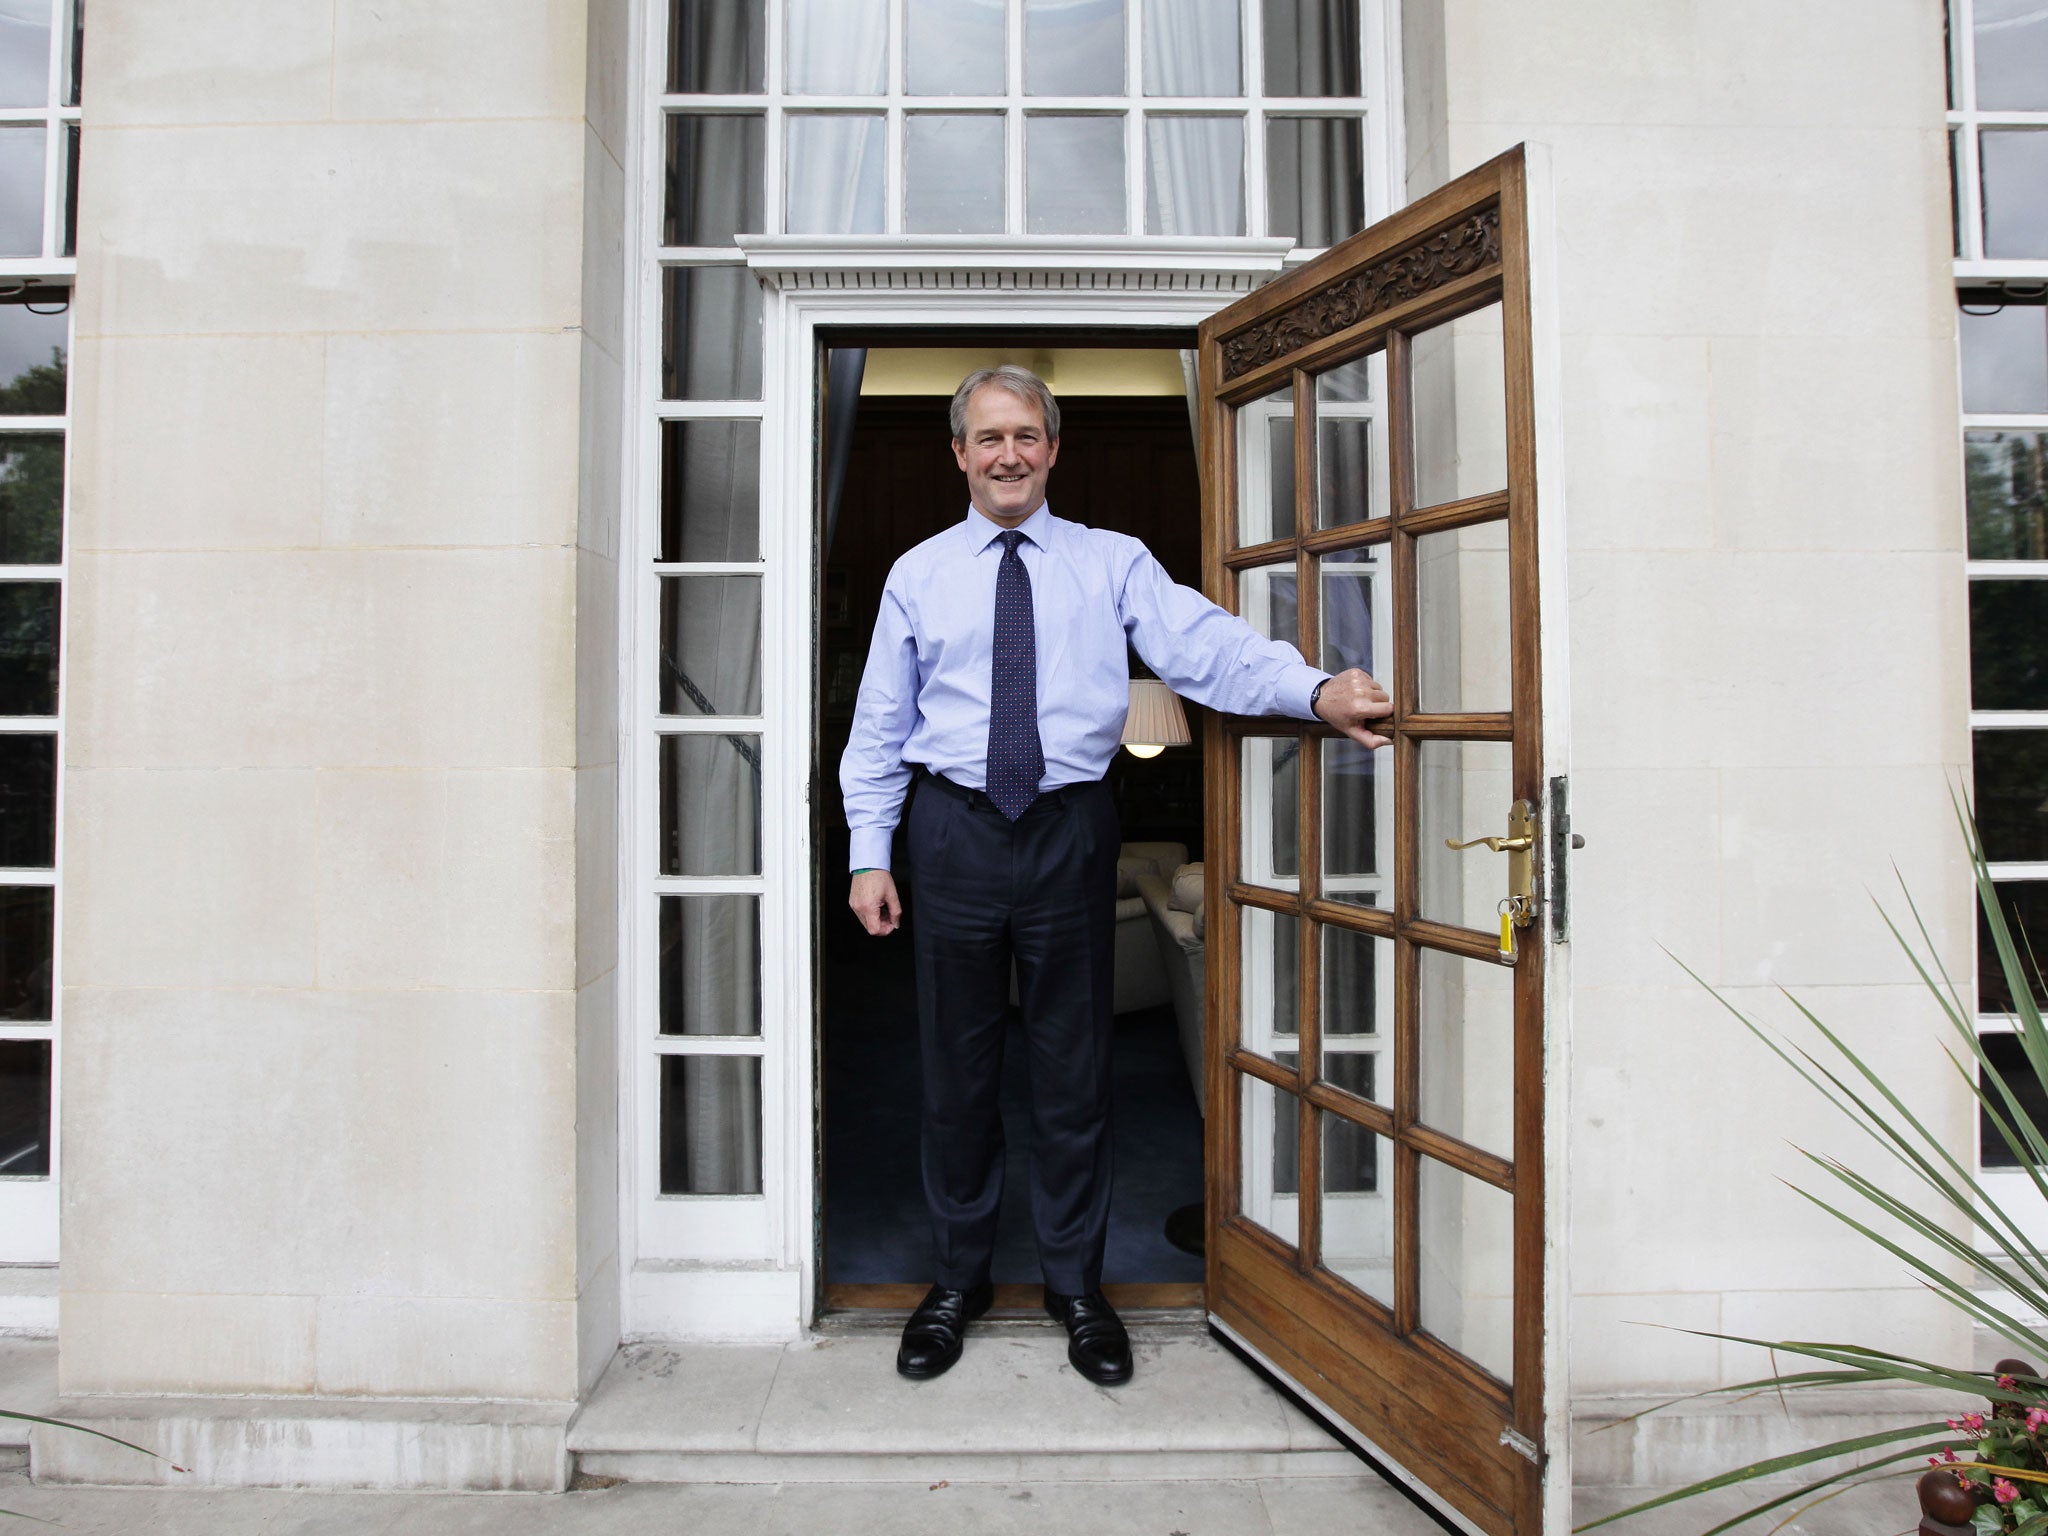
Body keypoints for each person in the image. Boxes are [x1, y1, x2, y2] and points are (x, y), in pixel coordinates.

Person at [841, 364, 1391, 1387]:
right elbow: (879, 726)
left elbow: (1205, 650)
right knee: (955, 1077)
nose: (1008, 454)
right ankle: (955, 1282)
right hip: (952, 830)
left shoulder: (1112, 563)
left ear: (1052, 451)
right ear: (958, 454)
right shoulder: (917, 573)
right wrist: (870, 850)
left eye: (1027, 436)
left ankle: (1075, 1285)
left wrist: (1312, 690)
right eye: (988, 437)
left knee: (1072, 1073)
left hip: (1068, 828)